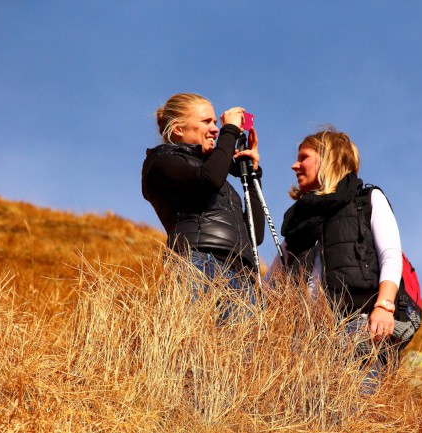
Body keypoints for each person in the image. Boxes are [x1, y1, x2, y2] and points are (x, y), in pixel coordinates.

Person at [270, 126, 404, 387]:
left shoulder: (366, 201)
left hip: (359, 324)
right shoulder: (299, 225)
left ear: (327, 158)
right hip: (306, 339)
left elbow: (390, 255)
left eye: (303, 157)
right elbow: (272, 284)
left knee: (357, 410)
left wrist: (384, 307)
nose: (294, 166)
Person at [141, 93, 264, 315]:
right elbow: (209, 180)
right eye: (207, 121)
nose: (216, 129)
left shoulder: (219, 182)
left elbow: (255, 235)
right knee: (195, 346)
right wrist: (231, 131)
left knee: (240, 350)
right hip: (198, 264)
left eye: (217, 123)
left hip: (241, 275)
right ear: (178, 129)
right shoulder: (162, 161)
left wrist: (252, 174)